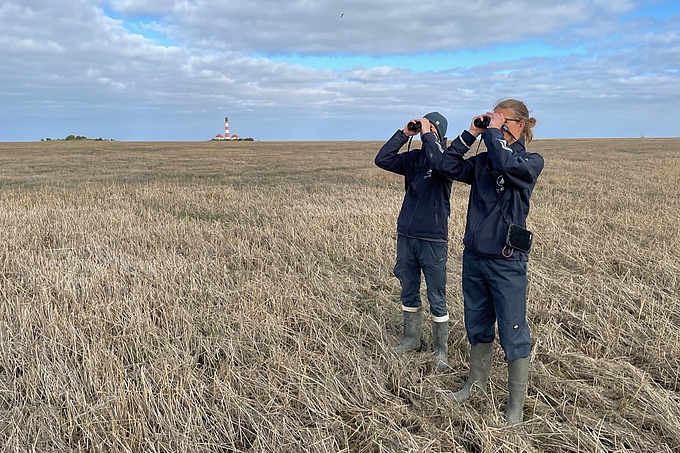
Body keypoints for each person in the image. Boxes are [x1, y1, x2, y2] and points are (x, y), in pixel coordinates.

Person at [435, 99, 543, 426]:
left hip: (507, 261)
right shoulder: (483, 161)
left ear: (520, 125)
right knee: (478, 325)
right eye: (493, 118)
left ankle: (514, 408)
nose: (494, 123)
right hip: (475, 257)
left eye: (502, 119)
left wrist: (494, 132)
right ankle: (476, 384)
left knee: (512, 331)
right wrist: (470, 133)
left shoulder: (529, 161)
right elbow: (446, 165)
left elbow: (507, 164)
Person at [375, 112, 452, 372]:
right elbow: (382, 159)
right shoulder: (414, 159)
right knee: (408, 288)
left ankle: (441, 350)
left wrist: (430, 136)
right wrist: (404, 134)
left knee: (436, 295)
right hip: (407, 235)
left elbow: (441, 163)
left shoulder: (446, 160)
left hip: (432, 238)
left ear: (439, 135)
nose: (423, 133)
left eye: (428, 130)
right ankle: (411, 340)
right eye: (422, 130)